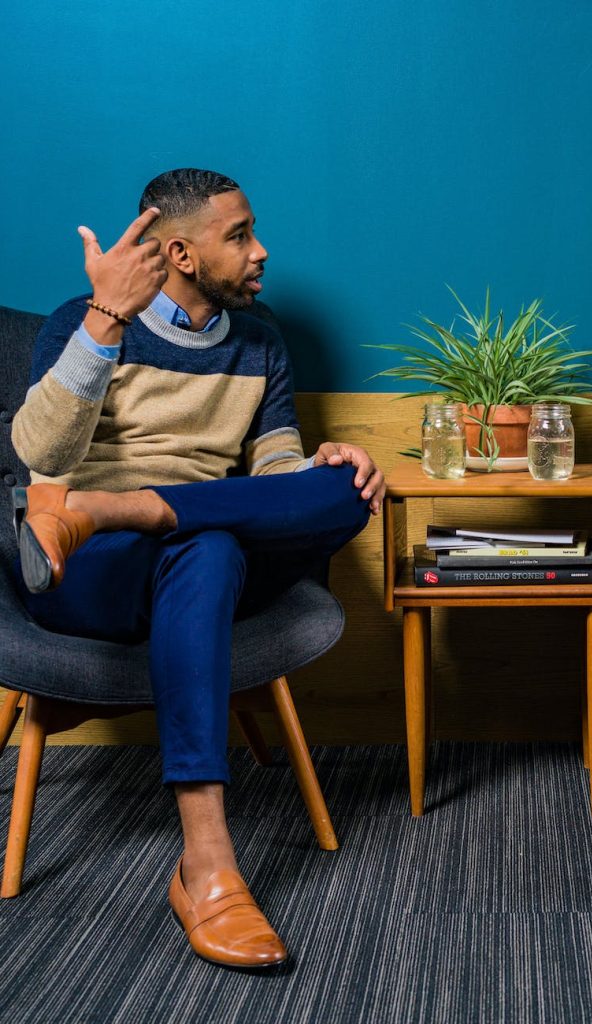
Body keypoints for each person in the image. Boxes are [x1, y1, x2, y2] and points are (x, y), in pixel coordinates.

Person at [11, 168, 386, 968]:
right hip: (85, 567)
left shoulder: (260, 342)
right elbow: (39, 456)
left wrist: (315, 468)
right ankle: (208, 862)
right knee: (210, 544)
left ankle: (117, 507)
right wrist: (106, 320)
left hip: (185, 552)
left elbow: (274, 465)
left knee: (345, 491)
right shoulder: (83, 320)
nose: (261, 250)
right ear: (181, 252)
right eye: (239, 236)